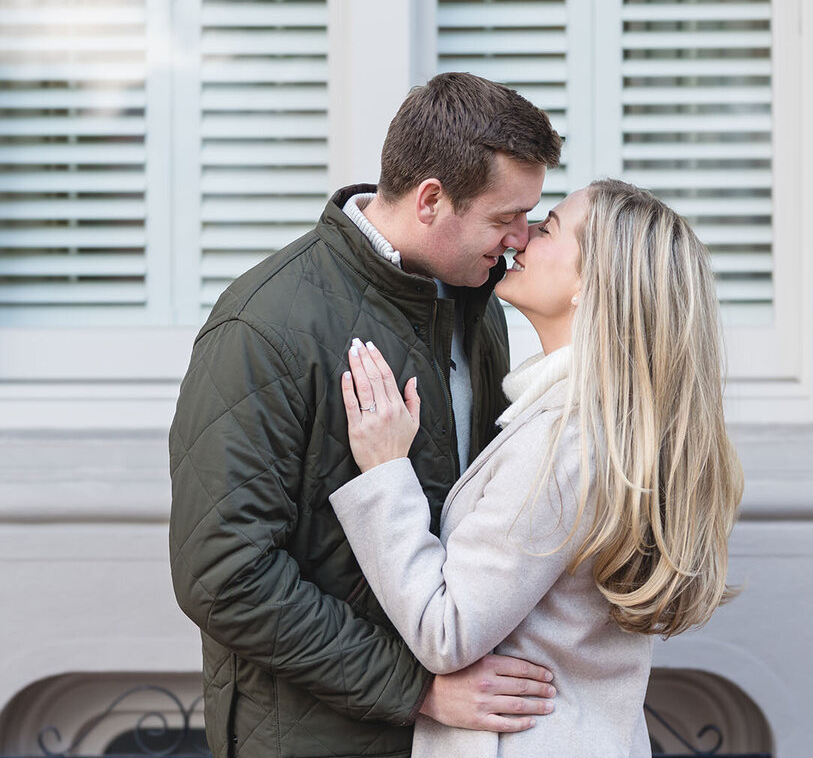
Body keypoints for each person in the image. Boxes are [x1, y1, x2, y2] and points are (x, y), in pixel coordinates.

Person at [168, 73, 562, 758]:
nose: (520, 239)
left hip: (451, 737)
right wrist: (417, 689)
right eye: (506, 218)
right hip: (318, 738)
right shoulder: (264, 327)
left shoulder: (477, 304)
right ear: (432, 200)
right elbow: (224, 576)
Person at [329, 179, 745, 756]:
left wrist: (384, 471)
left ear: (591, 285)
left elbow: (444, 629)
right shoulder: (604, 427)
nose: (519, 238)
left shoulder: (565, 441)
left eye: (547, 229)